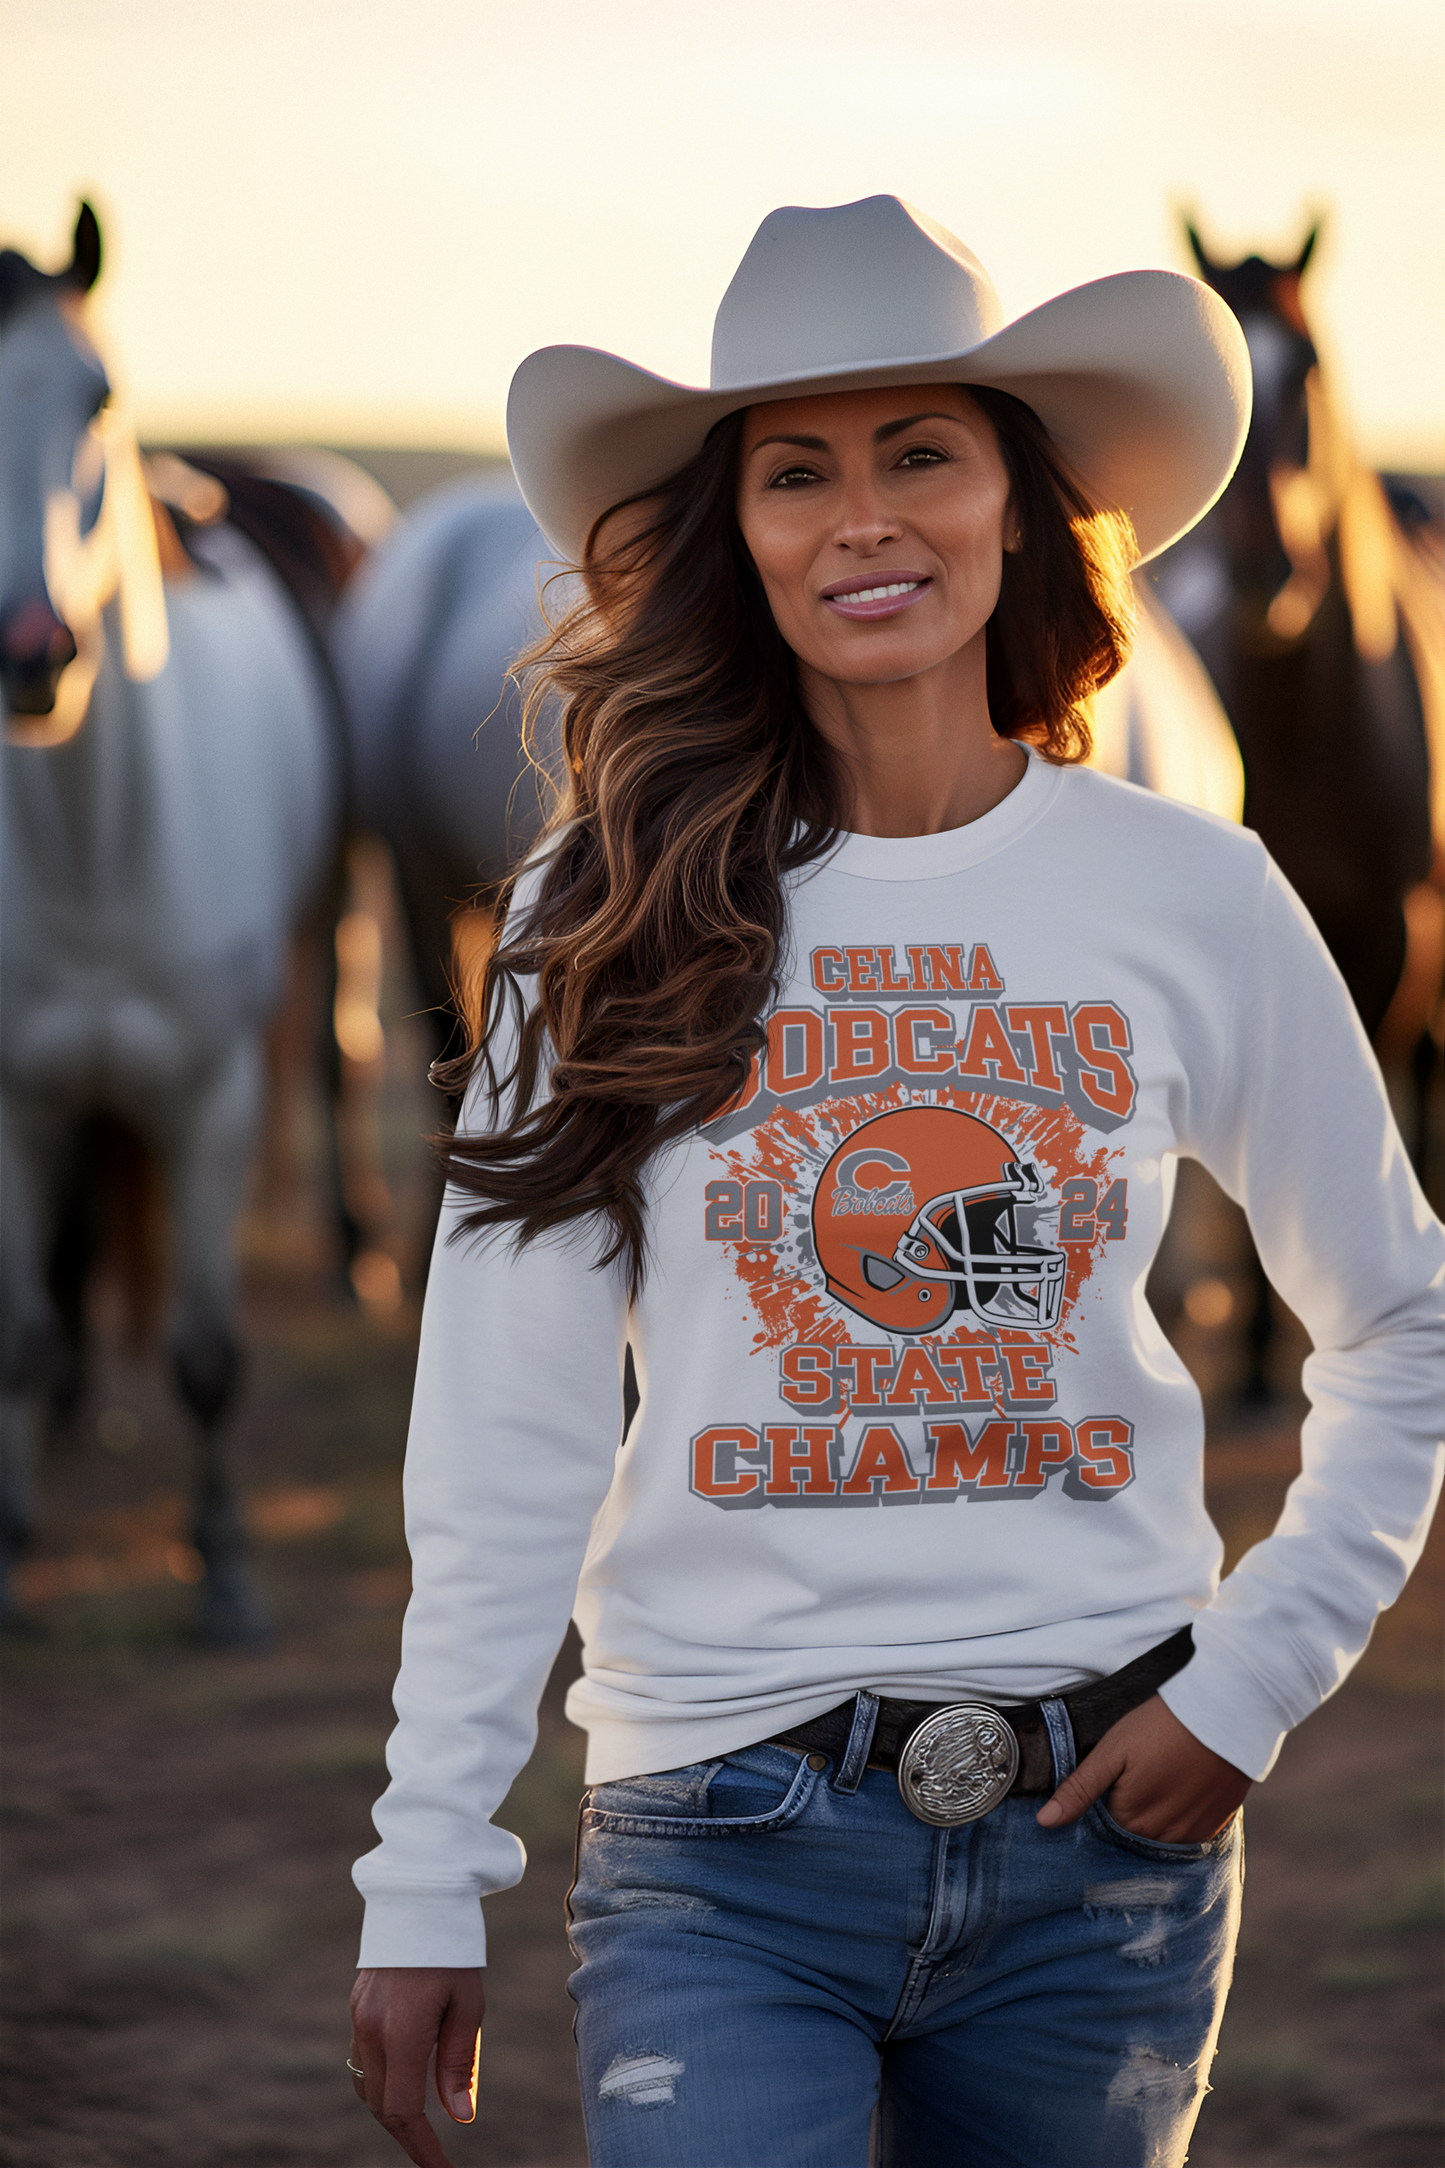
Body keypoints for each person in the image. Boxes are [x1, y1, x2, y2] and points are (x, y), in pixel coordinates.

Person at [347, 197, 1445, 2168]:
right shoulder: (589, 914)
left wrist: (1251, 1683)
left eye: (916, 453)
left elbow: (1398, 1316)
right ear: (733, 534)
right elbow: (501, 1433)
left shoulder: (1188, 892)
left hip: (1103, 1858)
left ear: (1015, 502)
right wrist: (426, 1860)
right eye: (795, 471)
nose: (860, 517)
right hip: (717, 1847)